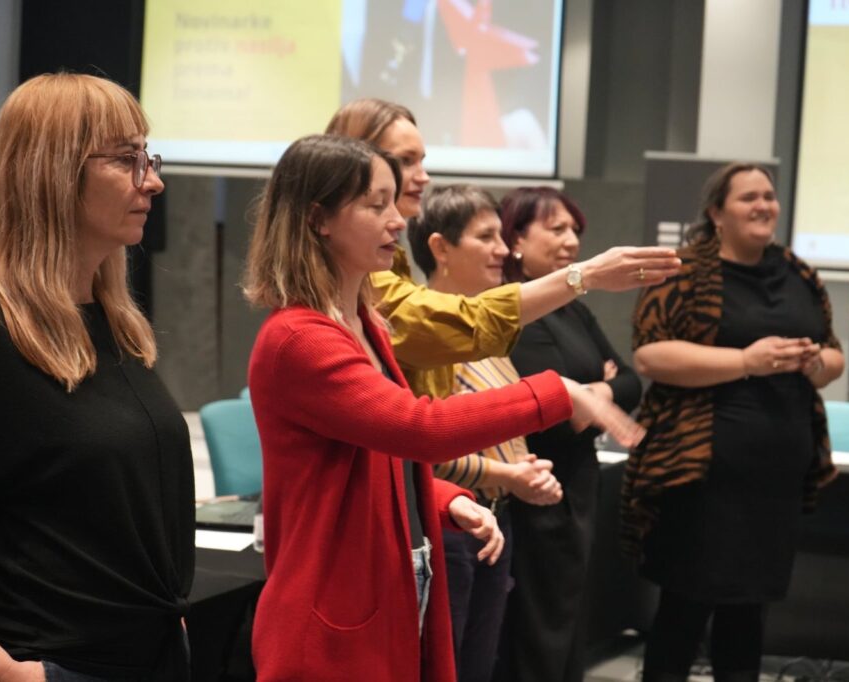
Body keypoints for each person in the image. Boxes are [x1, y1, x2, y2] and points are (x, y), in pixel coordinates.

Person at [241, 134, 644, 682]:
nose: (396, 221)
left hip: (383, 592)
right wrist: (558, 392)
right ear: (318, 219)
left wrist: (445, 498)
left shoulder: (363, 324)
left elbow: (378, 457)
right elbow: (420, 428)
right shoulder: (300, 337)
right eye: (376, 204)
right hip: (329, 619)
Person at [0, 74, 192, 681]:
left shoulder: (116, 327)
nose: (152, 181)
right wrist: (1, 673)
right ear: (52, 172)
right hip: (54, 664)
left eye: (148, 157)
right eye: (126, 159)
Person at [623, 163, 844, 682]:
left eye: (769, 195)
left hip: (775, 477)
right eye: (749, 197)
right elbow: (650, 355)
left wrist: (813, 361)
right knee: (685, 607)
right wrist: (747, 361)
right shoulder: (683, 269)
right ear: (716, 213)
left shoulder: (798, 273)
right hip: (701, 472)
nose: (764, 205)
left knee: (749, 611)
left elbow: (833, 356)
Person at [325, 98, 682, 400]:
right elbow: (432, 401)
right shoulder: (344, 288)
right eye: (405, 161)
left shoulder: (386, 271)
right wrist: (584, 276)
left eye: (421, 160)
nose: (423, 176)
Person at [407, 184, 564, 682]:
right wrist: (508, 475)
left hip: (495, 521)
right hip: (449, 525)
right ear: (440, 248)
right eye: (486, 237)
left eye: (502, 236)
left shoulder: (486, 335)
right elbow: (425, 445)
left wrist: (522, 470)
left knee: (479, 666)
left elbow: (495, 431)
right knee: (447, 667)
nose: (504, 250)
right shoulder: (425, 337)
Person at [492, 186, 644, 682]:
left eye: (575, 230)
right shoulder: (512, 311)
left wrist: (590, 392)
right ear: (515, 239)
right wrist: (586, 396)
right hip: (536, 484)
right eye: (556, 229)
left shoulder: (571, 307)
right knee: (537, 628)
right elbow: (550, 411)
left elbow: (630, 381)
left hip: (578, 483)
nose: (572, 240)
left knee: (570, 621)